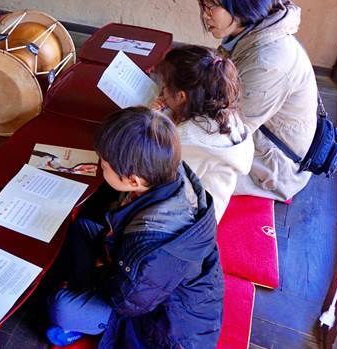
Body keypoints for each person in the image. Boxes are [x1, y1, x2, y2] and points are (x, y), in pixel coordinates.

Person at [45, 108, 223, 348]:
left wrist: (94, 277)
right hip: (140, 281)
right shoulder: (167, 173)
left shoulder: (155, 244)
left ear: (133, 181)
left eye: (105, 165)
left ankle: (84, 315)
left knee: (61, 306)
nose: (100, 166)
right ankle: (81, 288)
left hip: (158, 326)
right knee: (82, 227)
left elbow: (126, 301)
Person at [194, 0, 317, 201]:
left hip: (273, 167)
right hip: (259, 139)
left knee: (167, 170)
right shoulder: (250, 34)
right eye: (202, 6)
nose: (204, 15)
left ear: (240, 5)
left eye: (211, 7)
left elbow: (229, 132)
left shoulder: (268, 62)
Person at [152, 45, 254, 221]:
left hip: (191, 219)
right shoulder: (223, 112)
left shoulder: (188, 138)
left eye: (166, 87)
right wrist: (168, 111)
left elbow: (156, 173)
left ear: (182, 96)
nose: (163, 92)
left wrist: (154, 118)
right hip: (211, 201)